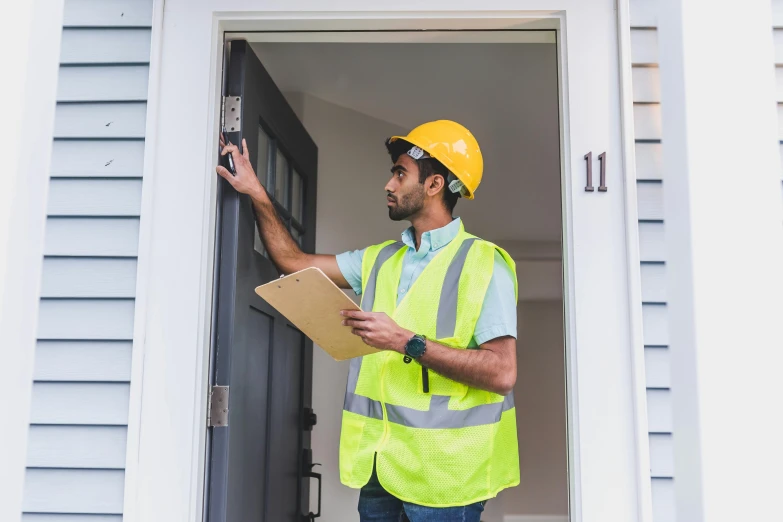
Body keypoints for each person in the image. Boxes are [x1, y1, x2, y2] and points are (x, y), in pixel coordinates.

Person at [216, 120, 519, 522]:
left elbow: (502, 372)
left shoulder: (485, 264)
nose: (388, 185)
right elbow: (293, 262)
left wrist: (405, 340)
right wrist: (256, 192)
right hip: (381, 469)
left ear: (434, 185)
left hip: (446, 479)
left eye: (400, 174)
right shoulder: (379, 259)